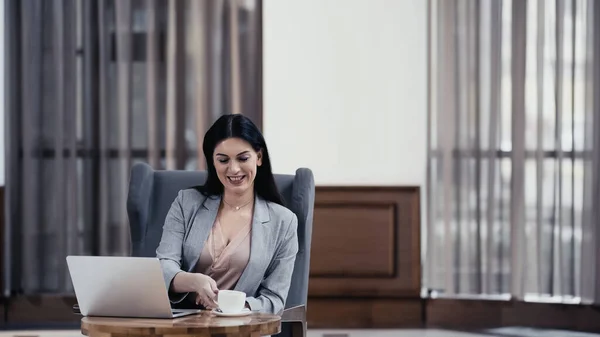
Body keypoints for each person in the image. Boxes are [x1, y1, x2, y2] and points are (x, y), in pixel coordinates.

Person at [155, 114, 298, 315]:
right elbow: (163, 267)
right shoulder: (186, 203)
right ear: (212, 162)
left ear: (259, 157)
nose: (234, 169)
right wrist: (194, 281)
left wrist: (233, 306)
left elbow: (274, 299)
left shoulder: (284, 221)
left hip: (240, 329)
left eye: (243, 158)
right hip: (182, 326)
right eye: (223, 160)